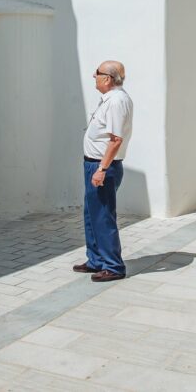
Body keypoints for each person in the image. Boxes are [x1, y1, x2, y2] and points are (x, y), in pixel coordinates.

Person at [74, 60, 133, 282]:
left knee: (103, 217)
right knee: (92, 215)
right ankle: (96, 260)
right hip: (94, 164)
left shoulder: (116, 102)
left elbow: (116, 140)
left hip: (102, 166)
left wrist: (101, 169)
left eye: (97, 73)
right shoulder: (110, 99)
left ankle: (113, 266)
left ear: (107, 78)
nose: (93, 76)